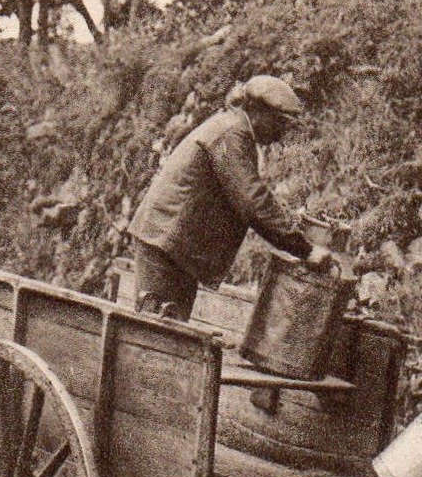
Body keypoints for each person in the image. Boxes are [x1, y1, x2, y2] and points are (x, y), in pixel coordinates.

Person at [128, 75, 332, 320]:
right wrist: (305, 249)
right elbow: (252, 200)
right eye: (279, 122)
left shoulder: (231, 127)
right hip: (165, 245)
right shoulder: (232, 134)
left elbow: (248, 193)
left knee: (170, 330)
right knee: (157, 336)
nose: (281, 132)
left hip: (171, 245)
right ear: (257, 112)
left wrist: (288, 220)